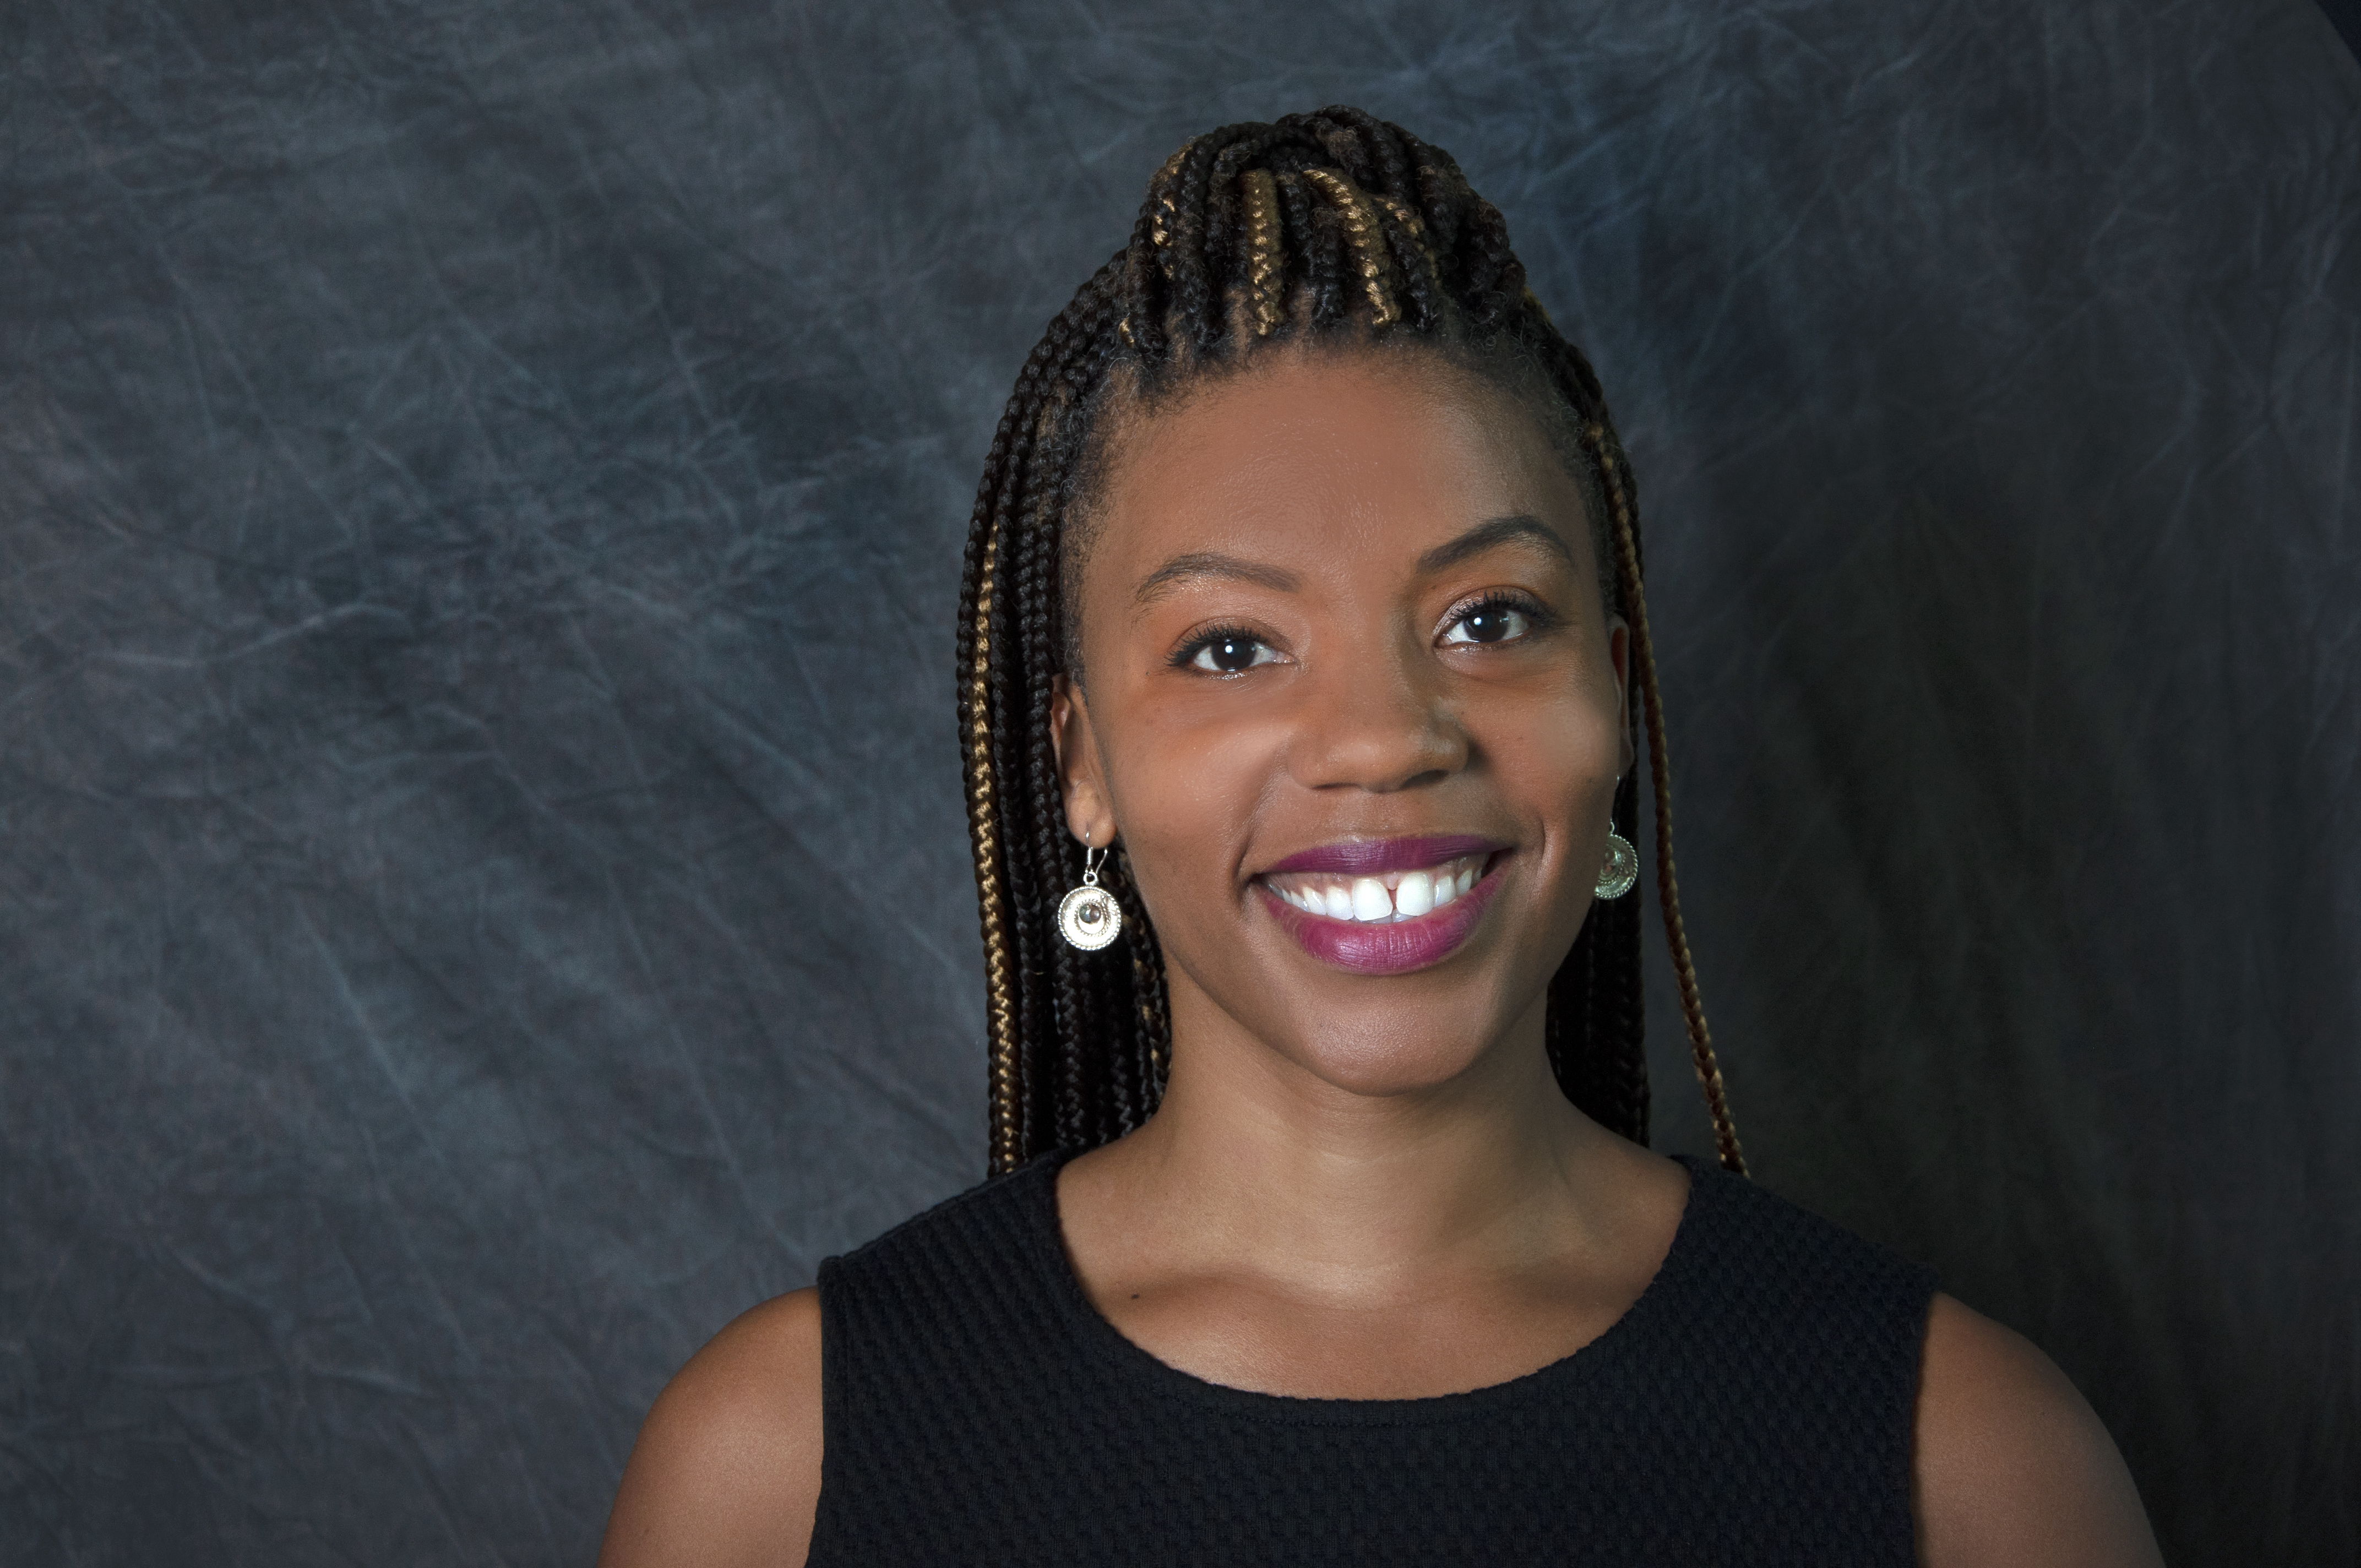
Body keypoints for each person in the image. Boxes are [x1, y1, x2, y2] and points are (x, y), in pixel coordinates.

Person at [597, 107, 2161, 1566]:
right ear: (1083, 766)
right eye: (1230, 647)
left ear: (1613, 701)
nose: (1385, 737)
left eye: (1489, 618)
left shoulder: (1967, 1461)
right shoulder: (776, 1468)